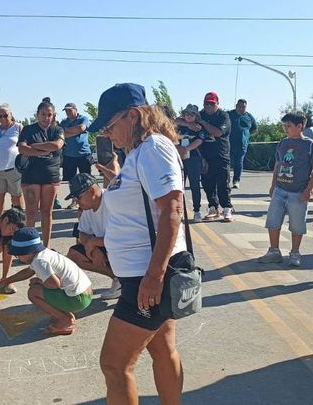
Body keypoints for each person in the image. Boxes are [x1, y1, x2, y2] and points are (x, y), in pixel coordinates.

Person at [89, 83, 187, 403]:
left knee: (115, 365)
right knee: (162, 349)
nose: (107, 134)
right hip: (144, 273)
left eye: (109, 126)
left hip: (148, 276)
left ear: (133, 116)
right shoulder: (137, 154)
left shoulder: (152, 148)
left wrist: (154, 276)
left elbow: (172, 209)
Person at [0, 227, 92, 335]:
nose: (18, 258)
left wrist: (38, 282)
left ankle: (64, 320)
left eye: (18, 255)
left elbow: (55, 284)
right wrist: (7, 280)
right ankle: (65, 314)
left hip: (78, 300)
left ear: (26, 252)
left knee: (34, 292)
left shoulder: (39, 262)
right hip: (85, 293)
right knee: (39, 287)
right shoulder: (44, 253)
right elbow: (28, 272)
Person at [258, 112, 313, 267]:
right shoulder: (283, 143)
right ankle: (274, 251)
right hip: (280, 189)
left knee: (297, 224)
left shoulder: (310, 145)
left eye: (289, 125)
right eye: (284, 125)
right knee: (273, 221)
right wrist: (273, 185)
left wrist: (309, 189)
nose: (286, 128)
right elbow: (278, 164)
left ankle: (295, 252)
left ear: (300, 126)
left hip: (298, 191)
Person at [65, 173, 121, 300]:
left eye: (78, 197)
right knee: (74, 255)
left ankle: (130, 282)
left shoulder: (113, 201)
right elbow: (82, 233)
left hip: (128, 247)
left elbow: (123, 237)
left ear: (91, 191)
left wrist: (94, 242)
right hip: (108, 246)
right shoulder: (88, 207)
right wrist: (93, 248)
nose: (76, 202)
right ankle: (118, 280)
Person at [178, 91, 233, 222]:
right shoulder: (199, 114)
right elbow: (179, 119)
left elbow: (218, 132)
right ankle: (213, 207)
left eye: (211, 104)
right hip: (204, 156)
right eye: (206, 104)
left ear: (217, 104)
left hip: (221, 155)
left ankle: (227, 208)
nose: (208, 106)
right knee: (208, 184)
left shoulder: (223, 116)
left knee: (222, 184)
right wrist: (188, 124)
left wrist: (202, 122)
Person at [18, 99, 65, 246]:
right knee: (31, 213)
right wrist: (45, 149)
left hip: (50, 176)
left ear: (53, 115)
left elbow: (57, 145)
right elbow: (22, 149)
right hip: (31, 176)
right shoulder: (28, 130)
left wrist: (34, 148)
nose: (46, 118)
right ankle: (29, 246)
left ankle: (46, 246)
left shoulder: (58, 130)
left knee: (47, 212)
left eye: (49, 114)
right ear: (37, 115)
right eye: (43, 114)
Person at [0, 104, 24, 215]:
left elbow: (25, 147)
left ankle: (18, 222)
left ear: (10, 114)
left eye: (5, 115)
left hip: (14, 168)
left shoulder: (18, 127)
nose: (2, 118)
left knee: (16, 197)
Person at [176, 104, 207, 223]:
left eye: (192, 114)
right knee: (179, 186)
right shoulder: (178, 126)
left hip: (194, 159)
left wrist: (186, 149)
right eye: (187, 114)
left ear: (196, 116)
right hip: (179, 159)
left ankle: (197, 211)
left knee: (195, 186)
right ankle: (180, 211)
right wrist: (179, 149)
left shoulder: (199, 127)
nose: (189, 116)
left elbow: (199, 140)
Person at [59, 102, 92, 210]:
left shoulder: (83, 118)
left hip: (83, 154)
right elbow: (60, 134)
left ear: (75, 109)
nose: (68, 112)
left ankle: (89, 200)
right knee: (71, 181)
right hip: (69, 155)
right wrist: (75, 131)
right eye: (66, 110)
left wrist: (67, 132)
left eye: (70, 110)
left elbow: (82, 128)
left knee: (86, 179)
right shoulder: (63, 122)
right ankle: (75, 201)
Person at [227, 99, 257, 189]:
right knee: (227, 163)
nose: (241, 108)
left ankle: (236, 180)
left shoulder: (249, 116)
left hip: (242, 145)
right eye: (240, 106)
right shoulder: (229, 114)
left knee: (239, 163)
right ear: (236, 106)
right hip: (229, 144)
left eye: (243, 107)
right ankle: (226, 180)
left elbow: (254, 128)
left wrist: (246, 136)